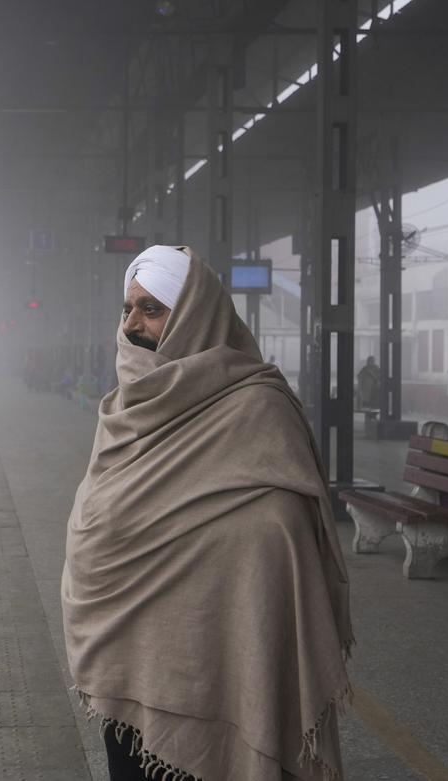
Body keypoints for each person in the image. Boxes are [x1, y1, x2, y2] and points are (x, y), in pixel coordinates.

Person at [62, 245, 353, 781]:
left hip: (223, 656)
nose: (133, 324)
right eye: (128, 309)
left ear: (196, 314)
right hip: (128, 665)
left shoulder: (257, 407)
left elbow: (282, 530)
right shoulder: (123, 410)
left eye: (153, 309)